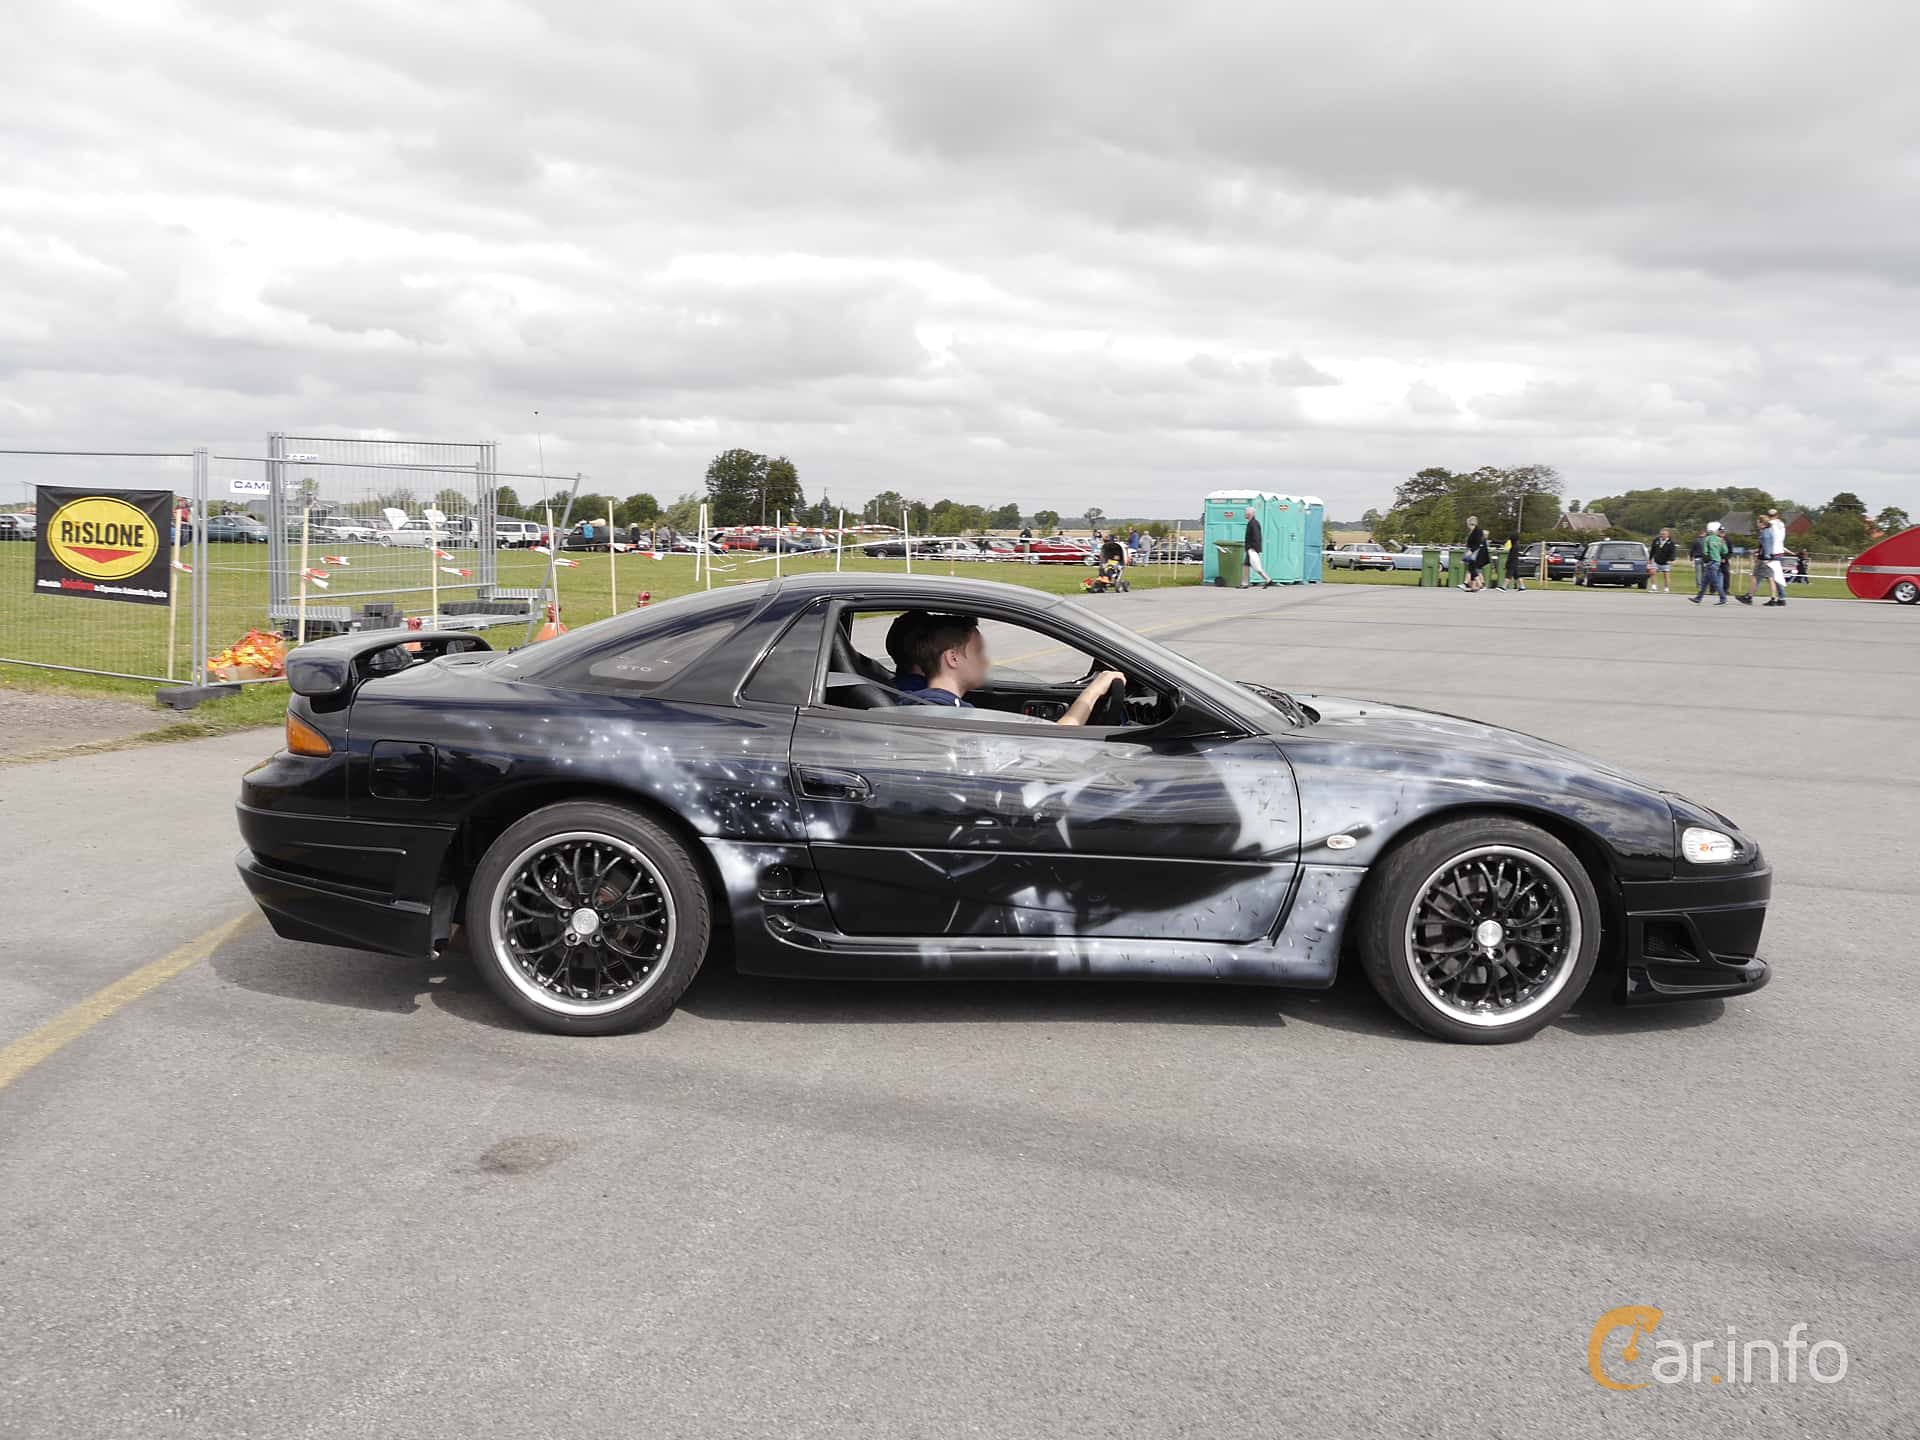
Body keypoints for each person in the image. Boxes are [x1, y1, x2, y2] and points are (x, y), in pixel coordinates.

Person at [909, 614, 1125, 726]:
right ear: (953, 657)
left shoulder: (922, 703)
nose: (986, 662)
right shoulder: (945, 713)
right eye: (978, 653)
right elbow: (1054, 744)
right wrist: (1093, 691)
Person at [1737, 508, 1789, 608]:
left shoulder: (1770, 526)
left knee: (1758, 576)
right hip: (1778, 552)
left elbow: (1768, 541)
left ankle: (1749, 596)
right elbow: (1779, 539)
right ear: (1777, 515)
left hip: (1770, 553)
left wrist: (1765, 554)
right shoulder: (1781, 524)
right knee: (1772, 577)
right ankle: (1780, 598)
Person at [1690, 523, 1728, 604]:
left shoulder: (1707, 538)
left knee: (1715, 581)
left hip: (1711, 562)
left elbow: (1705, 551)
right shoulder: (1720, 539)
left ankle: (1723, 598)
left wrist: (1706, 558)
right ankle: (1698, 598)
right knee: (1704, 582)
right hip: (1717, 561)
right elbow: (1725, 551)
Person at [1242, 509, 1275, 588]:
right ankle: (1266, 579)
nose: (1245, 514)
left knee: (1253, 566)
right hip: (1250, 548)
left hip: (1252, 548)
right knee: (1247, 565)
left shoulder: (1254, 523)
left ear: (1251, 514)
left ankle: (1267, 579)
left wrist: (1254, 547)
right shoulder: (1251, 523)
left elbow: (1257, 537)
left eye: (1246, 513)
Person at [1459, 515, 1488, 591]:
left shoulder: (1477, 531)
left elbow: (1477, 544)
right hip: (1474, 552)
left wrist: (1469, 553)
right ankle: (1474, 586)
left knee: (1472, 569)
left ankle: (1480, 585)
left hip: (1474, 553)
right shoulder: (1474, 531)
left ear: (1470, 523)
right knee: (1472, 569)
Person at [1648, 528, 1677, 593]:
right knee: (1652, 572)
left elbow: (1673, 552)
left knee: (1666, 575)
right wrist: (1650, 559)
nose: (1662, 535)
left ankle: (1666, 588)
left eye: (1664, 534)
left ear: (1667, 534)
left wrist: (1671, 560)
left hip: (1666, 562)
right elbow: (1652, 550)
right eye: (1661, 534)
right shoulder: (1656, 540)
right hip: (1656, 560)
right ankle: (1654, 587)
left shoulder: (1671, 542)